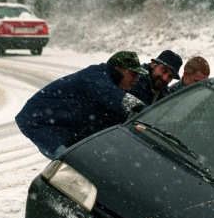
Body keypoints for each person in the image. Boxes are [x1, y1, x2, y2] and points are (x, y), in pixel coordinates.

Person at [15, 51, 148, 159]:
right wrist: (142, 111)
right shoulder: (96, 75)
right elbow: (111, 95)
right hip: (39, 123)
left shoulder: (108, 81)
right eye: (133, 74)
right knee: (72, 163)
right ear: (118, 69)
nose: (136, 79)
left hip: (64, 127)